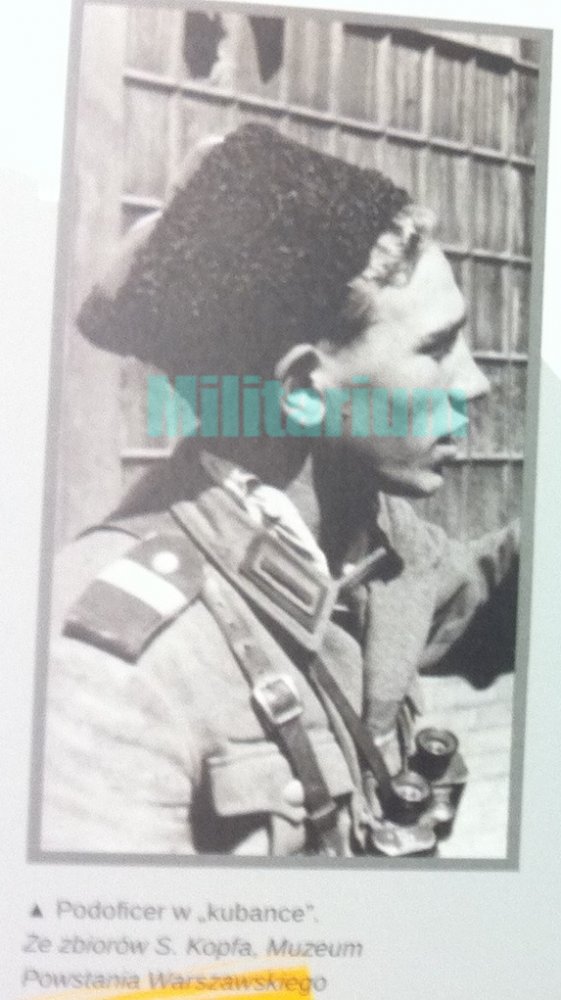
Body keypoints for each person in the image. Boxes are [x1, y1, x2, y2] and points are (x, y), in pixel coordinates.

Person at [40, 124, 518, 858]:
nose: (475, 382)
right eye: (435, 348)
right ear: (300, 389)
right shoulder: (110, 662)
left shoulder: (364, 539)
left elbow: (489, 601)